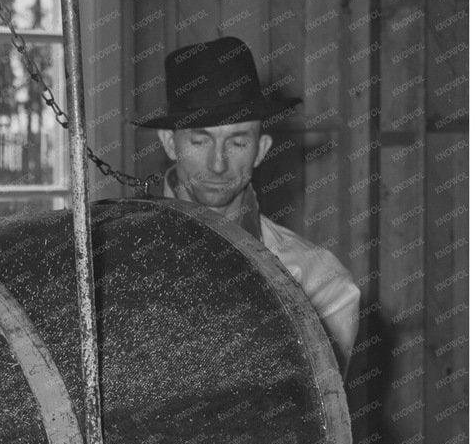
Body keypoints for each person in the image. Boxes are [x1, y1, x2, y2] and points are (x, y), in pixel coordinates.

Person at [135, 36, 359, 374]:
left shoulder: (320, 284)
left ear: (261, 148)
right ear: (169, 142)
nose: (219, 165)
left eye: (238, 142)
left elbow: (315, 417)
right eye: (199, 141)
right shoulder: (119, 264)